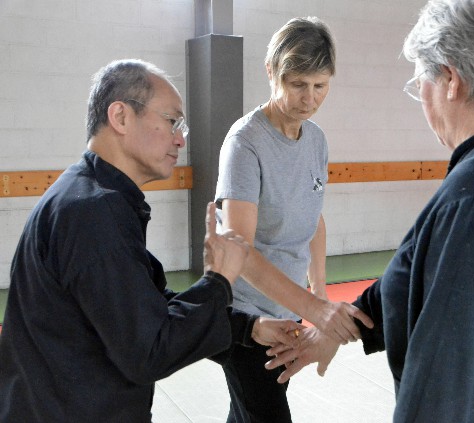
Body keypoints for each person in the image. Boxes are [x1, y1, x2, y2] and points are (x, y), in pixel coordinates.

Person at [265, 1, 474, 422]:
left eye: (419, 85)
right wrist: (344, 325)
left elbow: (443, 382)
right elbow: (417, 268)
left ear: (450, 80)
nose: (421, 101)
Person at [0, 59, 301, 422]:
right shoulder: (92, 212)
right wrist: (219, 279)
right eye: (172, 121)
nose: (180, 139)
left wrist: (248, 328)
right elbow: (149, 350)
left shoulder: (89, 196)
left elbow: (146, 305)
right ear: (120, 117)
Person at [214, 16, 344, 423]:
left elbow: (313, 219)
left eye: (320, 86)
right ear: (271, 72)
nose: (309, 99)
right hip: (245, 318)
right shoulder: (245, 143)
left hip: (288, 313)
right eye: (298, 84)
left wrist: (319, 294)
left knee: (247, 414)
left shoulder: (316, 140)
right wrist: (315, 309)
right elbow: (239, 252)